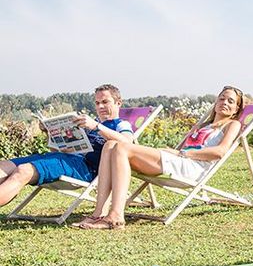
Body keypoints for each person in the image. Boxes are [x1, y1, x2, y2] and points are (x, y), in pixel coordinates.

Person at [75, 86, 244, 230]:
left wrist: (181, 153)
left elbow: (219, 152)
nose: (224, 103)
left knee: (120, 146)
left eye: (230, 101)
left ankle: (116, 216)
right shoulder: (204, 125)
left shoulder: (232, 124)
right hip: (178, 161)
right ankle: (99, 213)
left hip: (192, 168)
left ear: (236, 109)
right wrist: (175, 152)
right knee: (110, 145)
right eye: (222, 99)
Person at [0, 84, 133, 207]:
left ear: (118, 103)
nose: (100, 107)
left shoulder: (120, 124)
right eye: (97, 103)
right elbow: (55, 150)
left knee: (24, 171)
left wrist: (96, 127)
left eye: (105, 102)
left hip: (84, 169)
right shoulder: (87, 124)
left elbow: (128, 144)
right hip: (63, 158)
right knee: (4, 166)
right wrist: (50, 132)